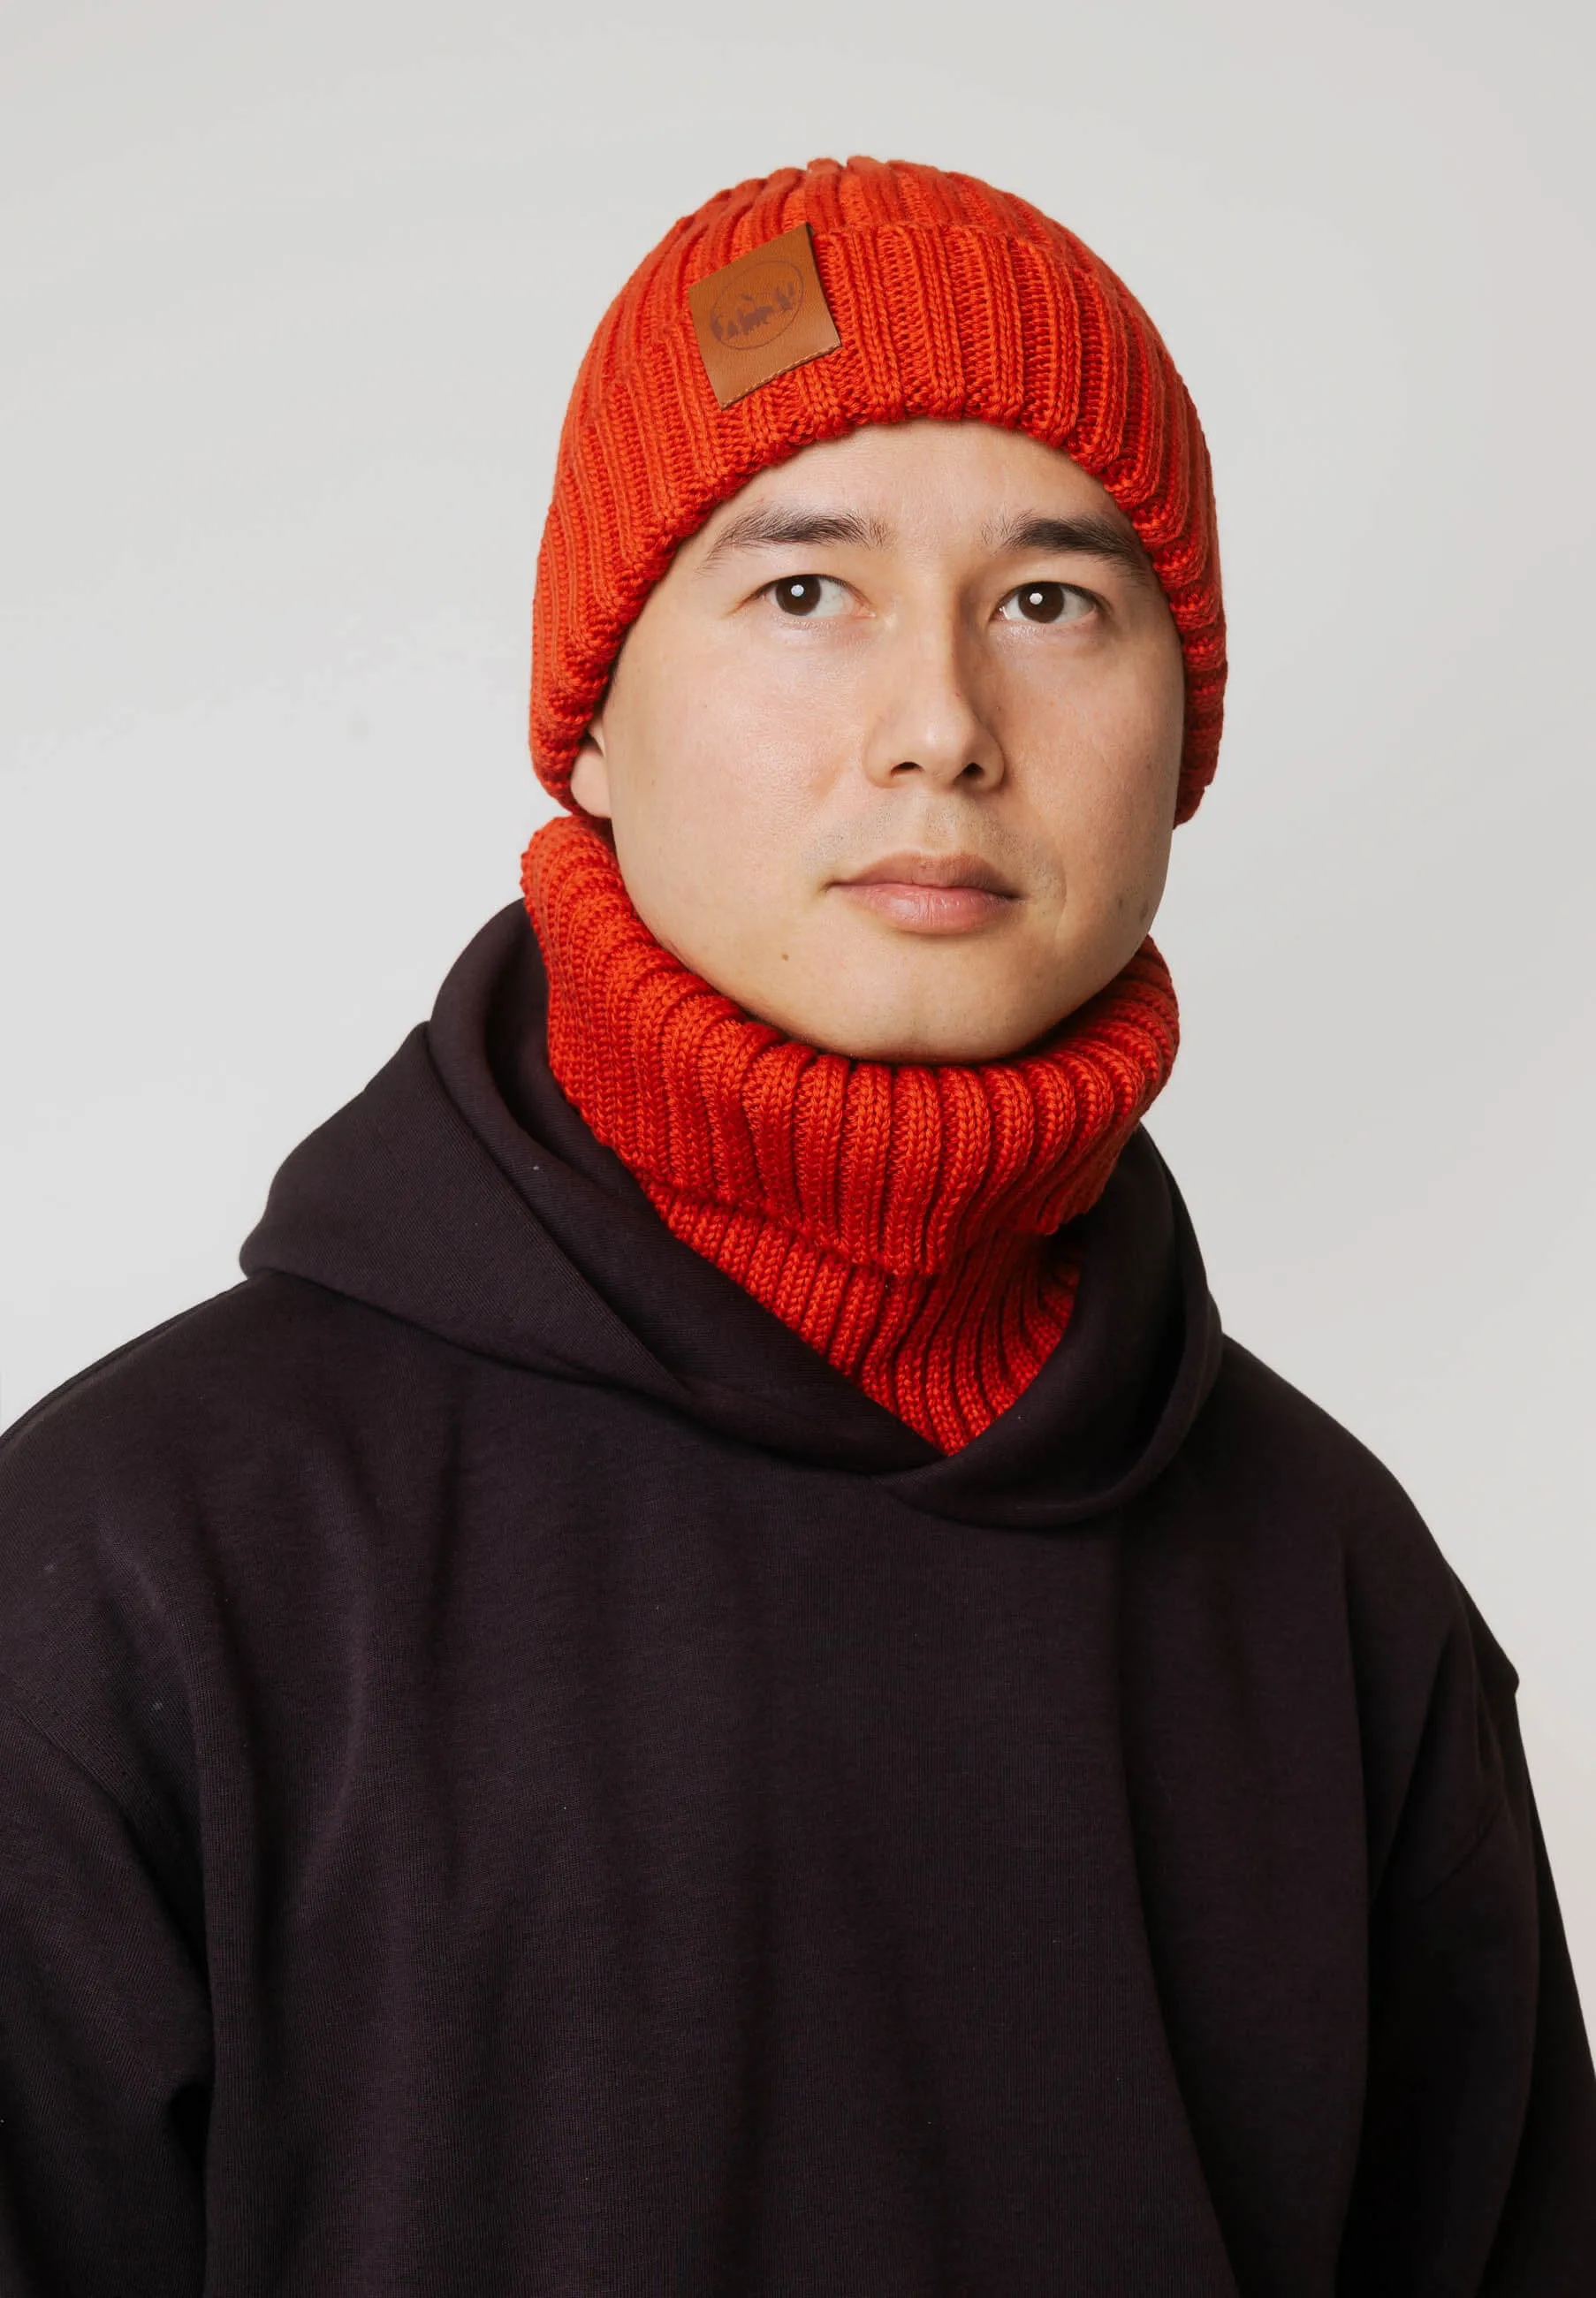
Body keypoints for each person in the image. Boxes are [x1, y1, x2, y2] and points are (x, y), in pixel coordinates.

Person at [0, 155, 1591, 2296]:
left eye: (1053, 601)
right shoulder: (127, 1569)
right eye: (807, 589)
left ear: (1187, 734)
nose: (940, 728)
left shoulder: (1344, 1597)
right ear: (593, 715)